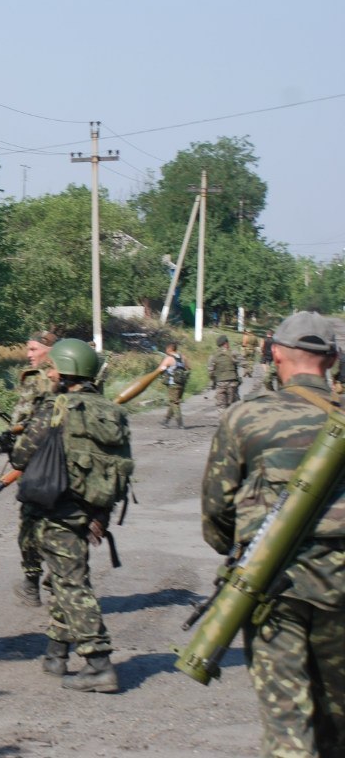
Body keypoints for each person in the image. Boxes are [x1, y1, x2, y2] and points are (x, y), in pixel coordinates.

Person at [201, 311, 342, 756]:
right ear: (333, 358)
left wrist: (239, 549)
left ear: (274, 352)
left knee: (287, 725)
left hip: (270, 587)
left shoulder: (246, 417)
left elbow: (217, 510)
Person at [9, 338, 132, 693]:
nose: (48, 373)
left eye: (52, 369)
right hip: (93, 508)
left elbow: (21, 456)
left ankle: (98, 663)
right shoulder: (111, 411)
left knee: (72, 583)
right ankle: (56, 652)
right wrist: (100, 514)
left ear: (65, 373)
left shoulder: (55, 407)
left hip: (57, 508)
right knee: (67, 575)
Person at [12, 331, 56, 607]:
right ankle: (58, 579)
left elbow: (20, 418)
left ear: (48, 350)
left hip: (37, 464)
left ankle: (31, 584)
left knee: (30, 523)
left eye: (33, 349)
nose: (29, 354)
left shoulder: (36, 380)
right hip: (69, 463)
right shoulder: (79, 376)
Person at [158, 342, 190, 428]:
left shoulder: (168, 358)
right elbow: (188, 368)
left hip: (173, 384)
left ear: (169, 349)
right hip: (182, 384)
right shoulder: (183, 357)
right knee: (173, 402)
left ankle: (180, 423)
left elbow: (160, 369)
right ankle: (166, 421)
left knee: (174, 403)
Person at [208, 335, 242, 411]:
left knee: (221, 407)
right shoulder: (233, 353)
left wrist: (213, 382)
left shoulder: (213, 356)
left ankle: (224, 420)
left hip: (220, 384)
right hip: (232, 384)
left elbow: (210, 372)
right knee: (234, 407)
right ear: (226, 343)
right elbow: (243, 362)